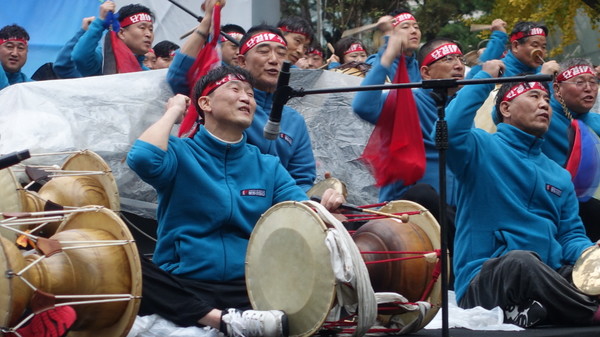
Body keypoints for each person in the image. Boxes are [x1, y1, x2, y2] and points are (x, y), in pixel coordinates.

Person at [127, 65, 344, 337]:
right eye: (235, 90)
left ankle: (221, 319)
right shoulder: (181, 152)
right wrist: (173, 111)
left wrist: (324, 207)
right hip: (185, 283)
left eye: (251, 94)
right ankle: (221, 320)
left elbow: (301, 214)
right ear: (205, 103)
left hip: (250, 286)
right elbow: (142, 158)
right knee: (124, 262)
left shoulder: (268, 166)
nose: (247, 99)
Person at [447, 59, 600, 328]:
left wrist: (591, 254)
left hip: (548, 278)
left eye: (546, 98)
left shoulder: (559, 175)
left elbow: (570, 236)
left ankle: (536, 309)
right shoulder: (480, 148)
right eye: (533, 96)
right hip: (486, 281)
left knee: (571, 272)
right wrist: (482, 79)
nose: (544, 104)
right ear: (505, 108)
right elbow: (450, 129)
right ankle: (589, 311)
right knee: (520, 261)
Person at [167, 2, 316, 192]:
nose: (274, 59)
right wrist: (206, 24)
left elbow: (302, 180)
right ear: (242, 62)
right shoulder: (220, 102)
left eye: (281, 53)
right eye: (263, 51)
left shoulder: (295, 121)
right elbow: (178, 77)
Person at [544, 58, 600, 241]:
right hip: (554, 209)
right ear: (557, 88)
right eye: (580, 82)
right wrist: (539, 79)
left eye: (593, 82)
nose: (589, 88)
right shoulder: (542, 116)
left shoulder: (596, 122)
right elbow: (499, 116)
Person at [72, 1, 155, 76]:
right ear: (122, 33)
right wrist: (100, 21)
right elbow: (80, 56)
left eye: (151, 29)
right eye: (142, 27)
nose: (149, 34)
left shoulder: (145, 74)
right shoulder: (103, 60)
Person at [365, 9, 422, 82]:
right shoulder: (376, 61)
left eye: (416, 27)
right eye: (405, 27)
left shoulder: (420, 68)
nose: (414, 31)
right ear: (391, 33)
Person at [0, 24, 31, 90]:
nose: (15, 53)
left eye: (20, 48)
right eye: (9, 47)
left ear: (27, 51)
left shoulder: (33, 88)